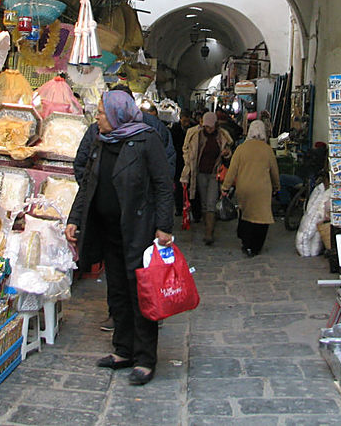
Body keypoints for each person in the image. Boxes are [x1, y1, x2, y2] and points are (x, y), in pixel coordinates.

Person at [65, 90, 174, 386]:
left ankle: (145, 358)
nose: (97, 118)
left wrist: (164, 226)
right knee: (117, 291)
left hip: (138, 230)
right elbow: (88, 183)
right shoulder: (101, 141)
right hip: (108, 230)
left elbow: (164, 185)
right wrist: (75, 218)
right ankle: (123, 349)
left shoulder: (146, 140)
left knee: (140, 293)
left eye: (101, 113)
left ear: (116, 115)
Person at [222, 119, 280, 256]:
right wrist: (277, 186)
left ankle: (246, 244)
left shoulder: (241, 149)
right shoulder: (267, 150)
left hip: (244, 188)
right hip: (262, 190)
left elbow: (232, 170)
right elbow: (274, 171)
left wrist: (225, 187)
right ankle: (256, 246)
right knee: (262, 217)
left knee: (246, 215)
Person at [181, 111, 233, 245]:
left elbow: (228, 153)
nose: (208, 129)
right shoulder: (195, 135)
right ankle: (207, 227)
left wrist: (226, 154)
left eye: (211, 127)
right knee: (204, 202)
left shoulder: (222, 136)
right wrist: (189, 163)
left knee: (211, 202)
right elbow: (186, 149)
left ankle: (209, 233)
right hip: (200, 173)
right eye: (206, 127)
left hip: (214, 173)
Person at [169, 111, 193, 215]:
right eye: (184, 120)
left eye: (187, 121)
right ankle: (179, 208)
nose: (186, 123)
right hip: (178, 162)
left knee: (190, 186)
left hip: (189, 162)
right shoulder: (174, 129)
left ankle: (190, 207)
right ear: (181, 119)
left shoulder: (193, 129)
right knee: (178, 187)